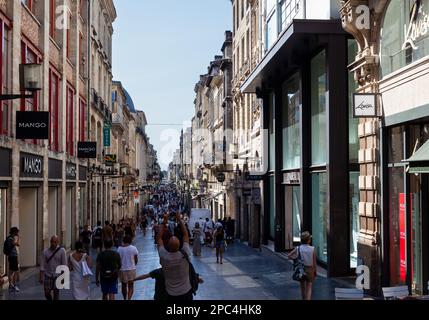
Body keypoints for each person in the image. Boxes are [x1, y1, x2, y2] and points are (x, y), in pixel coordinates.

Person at [157, 212, 193, 300]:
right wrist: (180, 219)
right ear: (180, 245)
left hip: (171, 294)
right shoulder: (185, 254)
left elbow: (158, 238)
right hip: (186, 292)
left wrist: (164, 222)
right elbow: (185, 235)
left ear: (168, 247)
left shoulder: (164, 256)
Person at [287, 231, 317, 300]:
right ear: (309, 240)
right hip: (310, 269)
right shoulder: (312, 249)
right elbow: (314, 262)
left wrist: (296, 259)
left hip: (301, 269)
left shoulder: (298, 248)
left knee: (302, 287)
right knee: (309, 287)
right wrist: (315, 271)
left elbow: (289, 256)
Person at [39, 235, 67, 300]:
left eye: (55, 242)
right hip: (47, 275)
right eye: (52, 242)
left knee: (56, 293)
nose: (53, 244)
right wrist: (41, 276)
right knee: (47, 293)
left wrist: (63, 278)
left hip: (57, 275)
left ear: (58, 242)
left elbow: (64, 265)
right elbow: (42, 265)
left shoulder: (62, 251)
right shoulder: (45, 251)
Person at [117, 235, 139, 300]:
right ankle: (129, 298)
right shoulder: (133, 248)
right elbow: (136, 260)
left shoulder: (119, 249)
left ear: (123, 241)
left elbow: (118, 259)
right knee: (131, 285)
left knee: (123, 285)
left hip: (122, 269)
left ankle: (124, 298)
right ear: (130, 241)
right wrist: (133, 265)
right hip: (131, 269)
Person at [3, 227, 20, 292]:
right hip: (13, 257)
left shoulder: (9, 238)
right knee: (15, 271)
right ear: (14, 232)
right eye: (17, 232)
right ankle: (14, 285)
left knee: (11, 271)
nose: (18, 233)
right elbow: (18, 244)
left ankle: (11, 285)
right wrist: (18, 238)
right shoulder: (11, 239)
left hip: (11, 256)